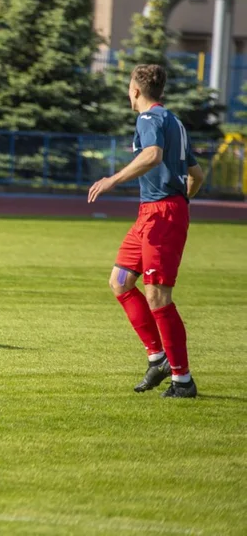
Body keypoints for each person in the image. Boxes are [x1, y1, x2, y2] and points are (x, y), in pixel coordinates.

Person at [88, 64, 205, 399]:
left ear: (135, 90)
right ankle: (158, 357)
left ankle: (182, 379)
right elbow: (197, 175)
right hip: (154, 213)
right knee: (120, 281)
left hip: (161, 214)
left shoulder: (149, 119)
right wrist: (181, 200)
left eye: (128, 86)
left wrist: (112, 180)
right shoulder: (175, 122)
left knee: (157, 295)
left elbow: (153, 155)